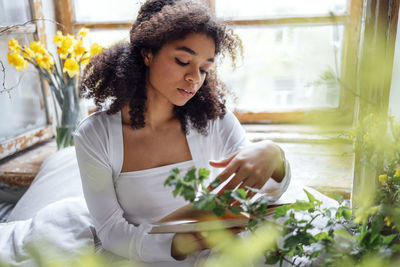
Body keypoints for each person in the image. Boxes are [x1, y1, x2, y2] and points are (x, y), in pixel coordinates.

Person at [74, 0, 291, 266]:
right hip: (141, 255)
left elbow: (259, 197)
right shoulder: (96, 136)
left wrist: (274, 155)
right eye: (183, 61)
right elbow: (110, 231)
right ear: (147, 53)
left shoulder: (213, 119)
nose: (194, 78)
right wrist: (177, 244)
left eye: (204, 68)